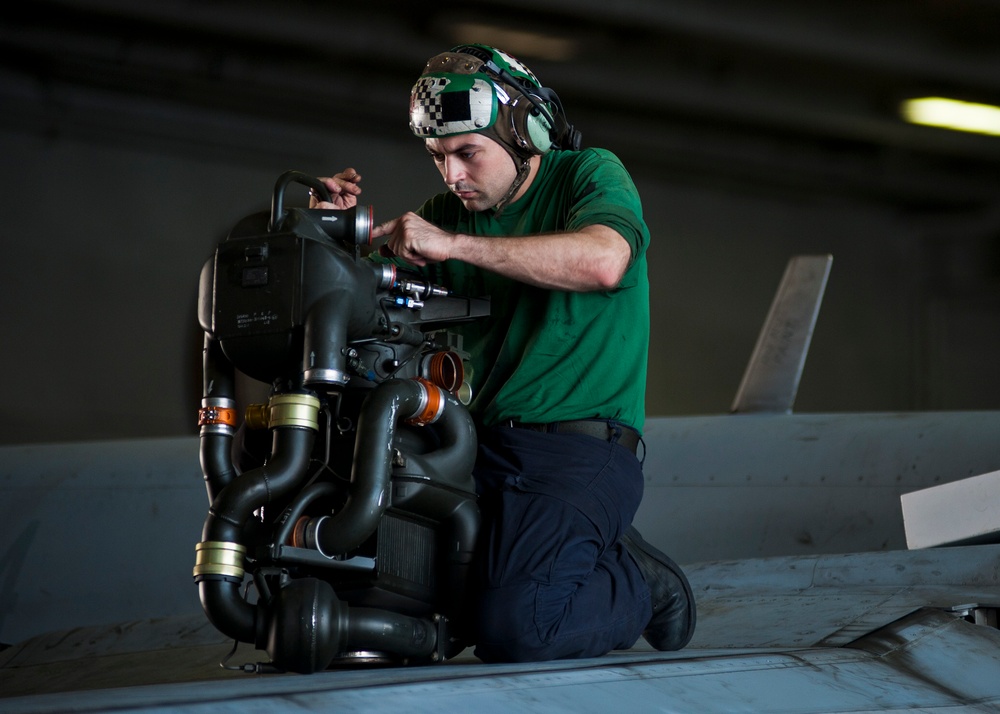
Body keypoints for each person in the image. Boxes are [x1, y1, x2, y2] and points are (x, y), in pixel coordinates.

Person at [312, 44, 695, 663]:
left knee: (519, 630)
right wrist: (335, 238)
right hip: (475, 447)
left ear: (526, 134)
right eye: (439, 157)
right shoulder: (446, 215)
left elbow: (603, 260)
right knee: (391, 599)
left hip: (575, 452)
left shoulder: (587, 175)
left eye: (468, 153)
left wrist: (456, 246)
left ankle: (635, 581)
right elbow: (362, 300)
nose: (452, 176)